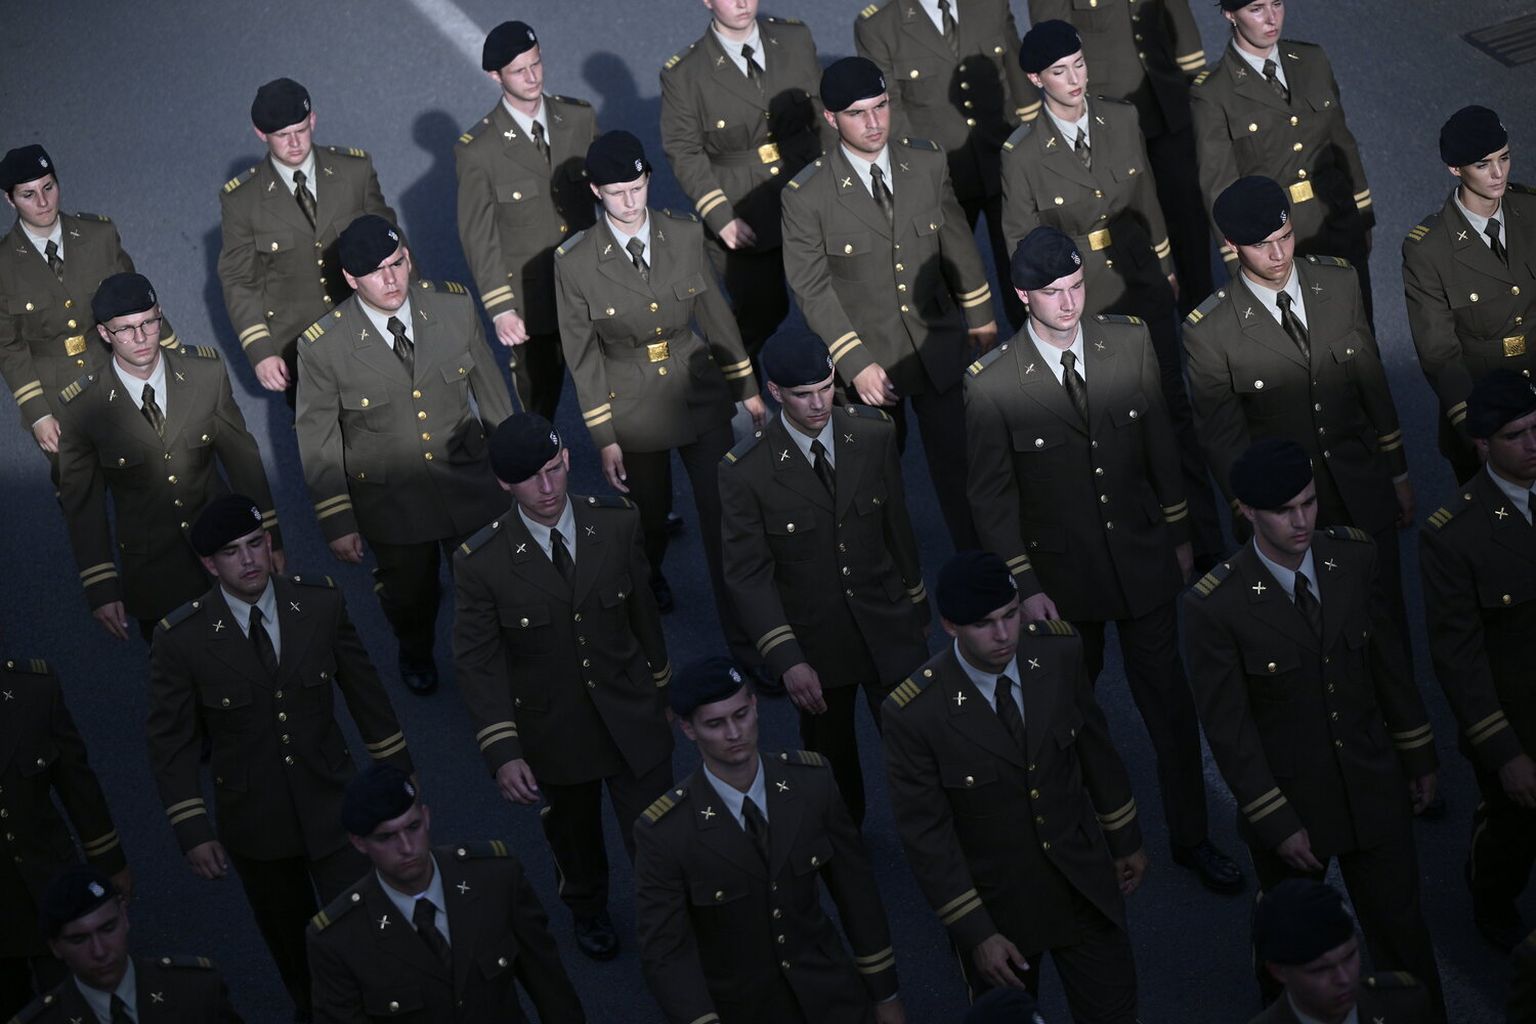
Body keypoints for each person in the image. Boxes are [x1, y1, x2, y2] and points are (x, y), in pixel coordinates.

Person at [966, 227, 1241, 893]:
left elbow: (1160, 444)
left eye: (1076, 286)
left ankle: (1192, 837)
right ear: (1023, 296)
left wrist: (1179, 532)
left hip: (1142, 558)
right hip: (1062, 584)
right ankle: (1086, 837)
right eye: (1053, 293)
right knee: (1067, 716)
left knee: (1170, 708)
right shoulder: (993, 384)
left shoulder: (1129, 341)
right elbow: (992, 500)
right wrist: (1024, 584)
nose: (1069, 303)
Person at [1182, 439, 1444, 1015]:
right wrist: (1275, 820)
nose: (1302, 520)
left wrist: (1418, 753)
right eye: (1284, 510)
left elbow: (1387, 664)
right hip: (1293, 805)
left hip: (1372, 784)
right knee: (1293, 957)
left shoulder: (1352, 557)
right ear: (1247, 511)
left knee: (1403, 936)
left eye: (1308, 502)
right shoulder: (1216, 606)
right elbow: (1230, 731)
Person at [146, 494, 414, 1017]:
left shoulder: (319, 603)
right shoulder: (182, 639)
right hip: (256, 822)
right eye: (231, 552)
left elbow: (367, 694)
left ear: (268, 542)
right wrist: (193, 828)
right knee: (296, 946)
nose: (248, 560)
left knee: (367, 925)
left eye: (255, 544)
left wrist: (399, 776)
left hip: (335, 804)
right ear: (209, 564)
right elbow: (170, 742)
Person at [882, 550, 1146, 1021]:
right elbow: (927, 836)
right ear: (950, 625)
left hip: (1083, 884)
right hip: (1000, 913)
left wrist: (1125, 837)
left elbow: (1095, 749)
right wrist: (976, 932)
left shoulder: (1059, 652)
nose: (1004, 635)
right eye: (984, 624)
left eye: (1010, 615)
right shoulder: (916, 713)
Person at [1000, 20, 1222, 570]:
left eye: (1079, 64)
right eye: (1060, 71)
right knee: (1110, 427)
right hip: (1083, 300)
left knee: (1172, 409)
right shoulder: (1021, 155)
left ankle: (1207, 542)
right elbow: (1021, 243)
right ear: (1037, 79)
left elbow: (1146, 197)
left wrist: (1165, 265)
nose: (1075, 78)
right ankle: (1136, 551)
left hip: (1141, 282)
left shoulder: (1121, 118)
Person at [452, 413, 673, 960]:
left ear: (568, 459)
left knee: (660, 832)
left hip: (630, 710)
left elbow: (644, 617)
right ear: (504, 483)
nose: (547, 487)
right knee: (574, 838)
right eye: (530, 478)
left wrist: (663, 694)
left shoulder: (616, 522)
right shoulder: (482, 562)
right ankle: (587, 907)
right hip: (554, 727)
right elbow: (479, 661)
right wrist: (503, 750)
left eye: (554, 469)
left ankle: (672, 921)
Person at [1183, 176, 1414, 647]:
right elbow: (1223, 439)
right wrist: (1252, 512)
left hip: (1362, 485)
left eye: (1286, 236)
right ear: (1231, 245)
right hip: (1290, 511)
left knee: (1388, 623)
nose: (1279, 254)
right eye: (1262, 245)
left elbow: (1372, 385)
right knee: (1316, 639)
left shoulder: (1339, 281)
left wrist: (1398, 472)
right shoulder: (1210, 331)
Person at [781, 56, 997, 551]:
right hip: (870, 359)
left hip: (937, 342)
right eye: (857, 113)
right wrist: (854, 362)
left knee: (965, 465)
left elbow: (956, 241)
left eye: (880, 106)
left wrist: (981, 315)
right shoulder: (807, 196)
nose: (874, 122)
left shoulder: (926, 162)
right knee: (874, 480)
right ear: (831, 118)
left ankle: (983, 569)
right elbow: (811, 287)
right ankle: (890, 574)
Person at [294, 214, 513, 695]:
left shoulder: (452, 307)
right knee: (412, 597)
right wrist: (337, 519)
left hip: (468, 480)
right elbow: (318, 437)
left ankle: (494, 666)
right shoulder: (324, 347)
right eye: (375, 272)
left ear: (408, 259)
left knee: (491, 580)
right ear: (351, 279)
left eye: (396, 264)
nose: (391, 279)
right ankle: (415, 649)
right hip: (392, 500)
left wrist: (514, 466)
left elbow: (491, 391)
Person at [555, 129, 766, 623]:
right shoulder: (575, 263)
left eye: (638, 187)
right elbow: (582, 356)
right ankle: (647, 576)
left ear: (648, 179)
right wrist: (604, 437)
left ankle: (748, 630)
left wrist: (747, 390)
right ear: (596, 191)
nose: (630, 202)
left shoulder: (684, 233)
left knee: (723, 514)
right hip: (632, 406)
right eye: (617, 193)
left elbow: (715, 317)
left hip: (698, 391)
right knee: (649, 517)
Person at [719, 332, 929, 826]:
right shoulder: (746, 472)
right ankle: (844, 852)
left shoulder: (873, 433)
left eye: (826, 388)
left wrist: (917, 608)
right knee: (832, 771)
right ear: (775, 392)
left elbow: (896, 528)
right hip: (816, 644)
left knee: (922, 753)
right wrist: (787, 659)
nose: (818, 404)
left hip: (887, 624)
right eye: (803, 394)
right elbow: (748, 576)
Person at [634, 657, 904, 1024]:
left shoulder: (812, 782)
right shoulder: (666, 832)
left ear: (755, 705)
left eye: (741, 714)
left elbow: (856, 893)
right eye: (715, 723)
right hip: (742, 1009)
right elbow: (666, 951)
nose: (734, 733)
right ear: (688, 729)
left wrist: (885, 993)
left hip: (831, 993)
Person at [56, 272, 281, 643]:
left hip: (226, 552)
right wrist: (101, 585)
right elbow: (83, 504)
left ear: (160, 316)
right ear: (104, 334)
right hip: (153, 571)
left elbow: (243, 460)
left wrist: (270, 539)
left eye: (148, 322)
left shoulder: (205, 373)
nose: (141, 337)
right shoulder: (83, 407)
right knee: (176, 667)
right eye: (125, 329)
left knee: (256, 652)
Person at [306, 766, 585, 1023]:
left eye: (413, 827)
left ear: (426, 817)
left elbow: (551, 988)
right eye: (386, 837)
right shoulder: (340, 939)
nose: (406, 847)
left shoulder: (495, 878)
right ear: (359, 843)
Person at [1420, 370, 1536, 952]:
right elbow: (1458, 658)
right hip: (1520, 721)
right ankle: (1491, 898)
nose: (1533, 444)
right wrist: (1505, 752)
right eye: (1516, 435)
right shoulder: (1455, 535)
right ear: (1483, 445)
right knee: (1514, 833)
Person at [660, 0, 829, 367]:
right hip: (744, 208)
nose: (742, 3)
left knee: (835, 303)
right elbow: (684, 151)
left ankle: (843, 393)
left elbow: (822, 113)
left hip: (809, 187)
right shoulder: (685, 73)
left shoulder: (794, 38)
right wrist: (720, 216)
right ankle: (731, 387)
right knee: (760, 313)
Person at [1190, 0, 1377, 327]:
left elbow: (1341, 142)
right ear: (1230, 14)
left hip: (1337, 222)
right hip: (1276, 245)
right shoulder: (1214, 92)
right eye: (1256, 9)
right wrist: (1240, 262)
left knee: (1359, 335)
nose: (1271, 18)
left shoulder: (1311, 59)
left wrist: (1363, 215)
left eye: (1276, 3)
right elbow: (1219, 187)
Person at [218, 78, 400, 406]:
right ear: (261, 134)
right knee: (321, 434)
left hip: (368, 325)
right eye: (282, 135)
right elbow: (239, 281)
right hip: (301, 345)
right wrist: (261, 351)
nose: (294, 143)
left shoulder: (354, 171)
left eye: (301, 130)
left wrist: (416, 312)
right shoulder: (242, 201)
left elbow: (393, 246)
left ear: (313, 120)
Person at [0, 144, 175, 479]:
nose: (43, 202)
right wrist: (38, 413)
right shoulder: (4, 265)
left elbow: (137, 302)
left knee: (147, 473)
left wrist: (174, 357)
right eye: (28, 194)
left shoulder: (99, 235)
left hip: (113, 369)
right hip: (54, 394)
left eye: (49, 187)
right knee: (78, 488)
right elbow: (8, 346)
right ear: (10, 200)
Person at [1027, 0, 1212, 313]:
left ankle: (1202, 316)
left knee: (1188, 216)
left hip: (1165, 97)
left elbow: (1175, 12)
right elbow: (1054, 39)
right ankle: (1140, 323)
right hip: (1106, 112)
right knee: (1123, 222)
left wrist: (1194, 75)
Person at [854, 0, 1031, 327]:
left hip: (1003, 162)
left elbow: (1018, 78)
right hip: (941, 179)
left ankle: (1035, 351)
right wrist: (916, 176)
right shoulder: (879, 26)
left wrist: (1033, 148)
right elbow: (890, 112)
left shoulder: (990, 5)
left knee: (1026, 273)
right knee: (946, 282)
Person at [456, 21, 598, 420]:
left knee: (617, 389)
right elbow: (479, 237)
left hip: (591, 285)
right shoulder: (478, 151)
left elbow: (610, 192)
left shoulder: (579, 118)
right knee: (539, 401)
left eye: (536, 64)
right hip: (533, 300)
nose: (533, 77)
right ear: (495, 76)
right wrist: (501, 308)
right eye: (519, 71)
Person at [1403, 105, 1536, 484]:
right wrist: (1476, 427)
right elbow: (1439, 354)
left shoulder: (1531, 210)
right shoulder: (1428, 249)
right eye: (1483, 164)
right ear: (1455, 168)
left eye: (1504, 158)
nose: (1499, 173)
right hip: (1487, 416)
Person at [0, 657, 130, 1019]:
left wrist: (110, 864)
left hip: (49, 883)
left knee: (80, 1004)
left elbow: (77, 785)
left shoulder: (34, 688)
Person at [16, 866, 242, 1023]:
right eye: (79, 939)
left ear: (125, 917)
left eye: (108, 928)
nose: (99, 951)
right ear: (55, 947)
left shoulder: (196, 991)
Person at [1250, 879, 1437, 1024]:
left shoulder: (1404, 1002)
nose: (1344, 979)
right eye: (1321, 969)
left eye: (1350, 956)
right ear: (1278, 971)